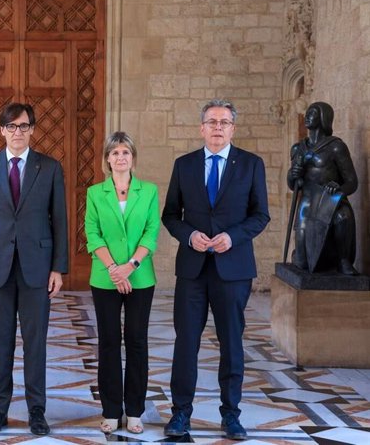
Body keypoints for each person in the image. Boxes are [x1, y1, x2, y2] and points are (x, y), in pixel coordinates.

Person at [161, 99, 269, 441]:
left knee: (231, 344)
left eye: (224, 122)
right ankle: (180, 414)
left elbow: (260, 214)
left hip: (233, 269)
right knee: (186, 343)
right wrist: (189, 234)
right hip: (192, 270)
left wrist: (232, 237)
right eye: (212, 121)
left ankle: (232, 414)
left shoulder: (251, 164)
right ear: (202, 128)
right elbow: (169, 215)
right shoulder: (184, 165)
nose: (218, 127)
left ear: (233, 128)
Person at [0, 102, 68, 436]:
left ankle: (36, 411)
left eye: (24, 126)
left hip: (37, 269)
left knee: (35, 342)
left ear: (33, 130)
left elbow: (60, 220)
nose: (17, 133)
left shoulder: (50, 168)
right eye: (11, 127)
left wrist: (59, 267)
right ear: (1, 131)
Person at [84, 132, 160, 434]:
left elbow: (151, 233)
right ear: (107, 160)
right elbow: (93, 233)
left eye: (125, 151)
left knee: (137, 342)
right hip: (105, 277)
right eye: (114, 152)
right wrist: (115, 269)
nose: (120, 157)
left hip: (140, 277)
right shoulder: (95, 193)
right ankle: (112, 410)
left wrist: (130, 267)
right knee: (109, 342)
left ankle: (136, 411)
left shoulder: (150, 191)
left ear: (134, 157)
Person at [287, 101, 358, 275]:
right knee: (302, 264)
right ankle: (301, 254)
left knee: (343, 216)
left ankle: (343, 260)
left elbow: (352, 181)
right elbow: (292, 184)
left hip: (328, 200)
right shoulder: (298, 148)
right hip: (308, 202)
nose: (308, 116)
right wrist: (293, 174)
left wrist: (338, 189)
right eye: (308, 113)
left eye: (313, 113)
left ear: (323, 118)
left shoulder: (335, 147)